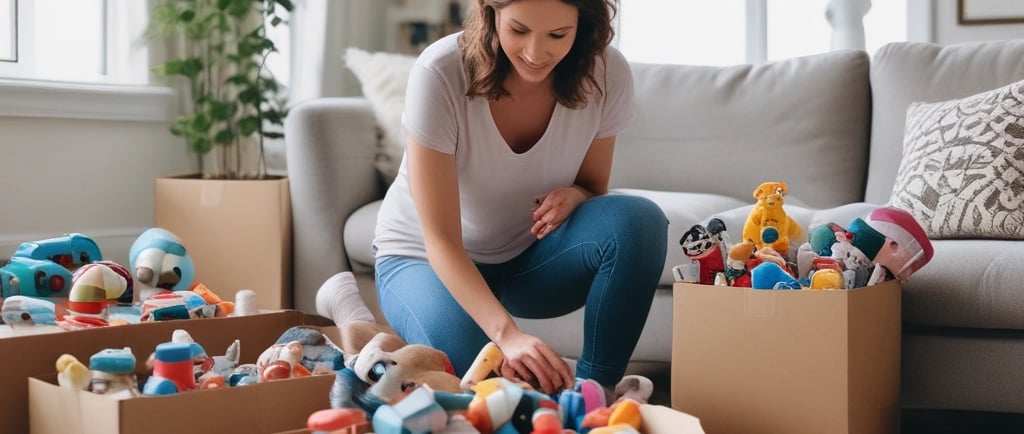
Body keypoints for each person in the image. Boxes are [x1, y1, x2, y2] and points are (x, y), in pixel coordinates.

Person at [370, 0, 667, 397]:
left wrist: (576, 195)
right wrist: (507, 334)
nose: (534, 52)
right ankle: (353, 316)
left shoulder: (606, 73)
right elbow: (440, 239)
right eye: (519, 30)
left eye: (557, 35)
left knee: (640, 222)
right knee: (497, 384)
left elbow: (595, 188)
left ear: (584, 22)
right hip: (422, 258)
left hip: (528, 259)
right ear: (491, 13)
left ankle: (595, 394)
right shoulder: (440, 72)